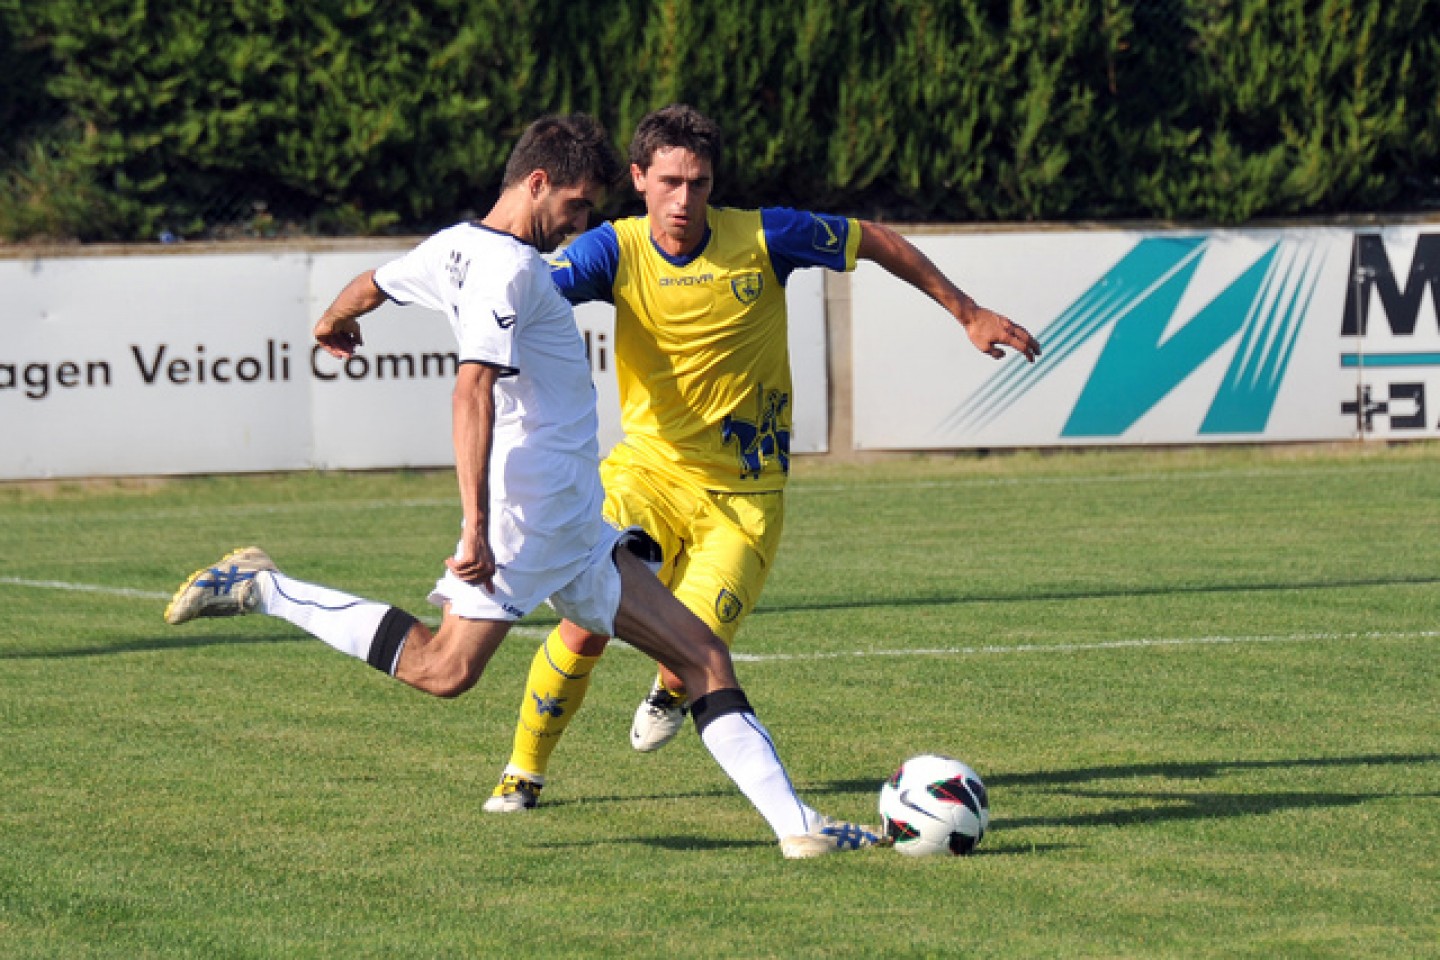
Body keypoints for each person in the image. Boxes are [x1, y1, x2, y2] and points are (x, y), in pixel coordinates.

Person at [162, 113, 885, 859]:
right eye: (574, 205)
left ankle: (798, 828)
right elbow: (470, 391)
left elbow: (372, 285)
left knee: (702, 657)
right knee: (445, 671)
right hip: (525, 521)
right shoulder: (509, 268)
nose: (579, 224)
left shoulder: (453, 246)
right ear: (537, 183)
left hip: (574, 523)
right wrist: (475, 527)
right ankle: (263, 586)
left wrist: (332, 319)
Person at [484, 104, 1042, 813]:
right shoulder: (613, 251)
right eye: (670, 182)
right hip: (646, 475)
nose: (684, 199)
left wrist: (966, 312)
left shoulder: (765, 236)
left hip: (744, 500)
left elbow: (871, 240)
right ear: (638, 179)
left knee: (698, 651)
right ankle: (522, 772)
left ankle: (670, 681)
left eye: (699, 182)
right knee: (586, 621)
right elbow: (525, 290)